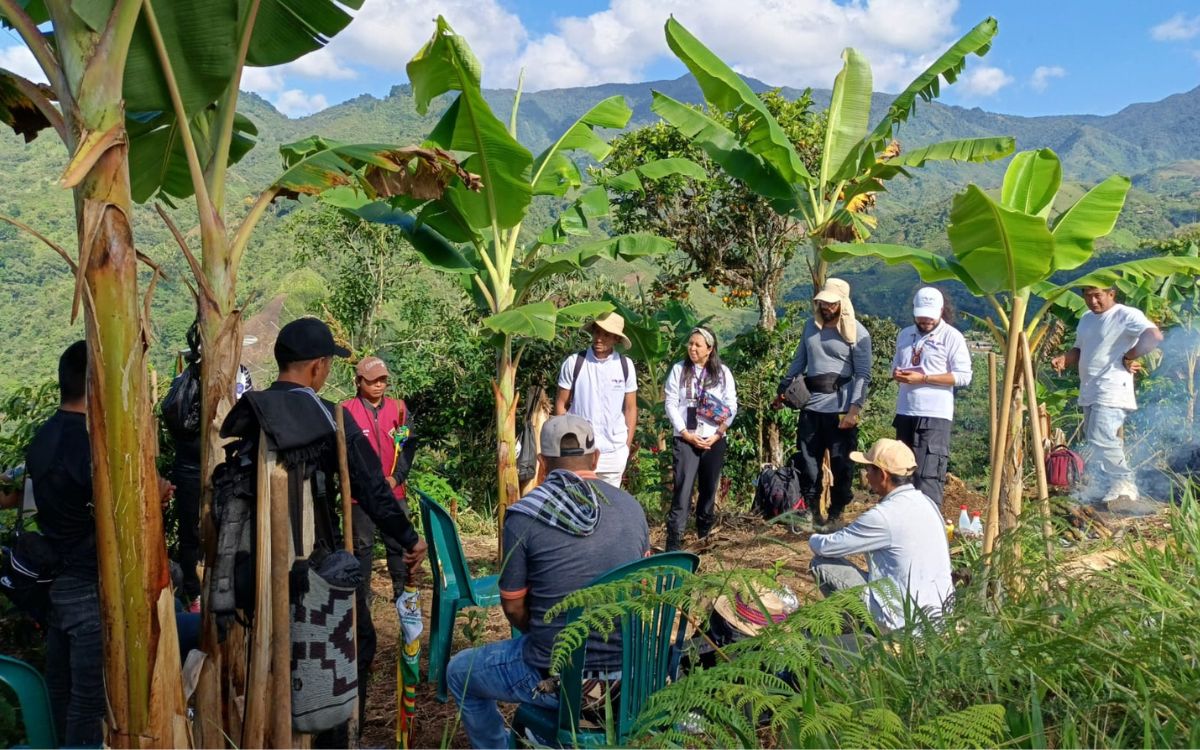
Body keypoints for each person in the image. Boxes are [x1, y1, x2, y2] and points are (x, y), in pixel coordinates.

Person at [217, 317, 427, 742]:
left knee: (272, 653)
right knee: (355, 640)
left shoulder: (251, 410)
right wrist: (408, 538)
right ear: (316, 367)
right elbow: (370, 485)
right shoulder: (328, 416)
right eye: (328, 364)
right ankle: (341, 735)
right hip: (313, 571)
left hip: (251, 568)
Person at [446, 415, 650, 748]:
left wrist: (542, 631)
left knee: (459, 672)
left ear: (542, 464)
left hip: (559, 682)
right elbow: (643, 590)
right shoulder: (632, 508)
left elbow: (512, 605)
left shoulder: (525, 515)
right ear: (596, 457)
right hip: (635, 677)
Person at [25, 341, 105, 747]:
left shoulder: (44, 437)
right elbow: (114, 510)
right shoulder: (88, 445)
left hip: (54, 581)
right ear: (96, 382)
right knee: (89, 701)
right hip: (87, 584)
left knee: (62, 686)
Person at [808, 438, 953, 632]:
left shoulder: (882, 516)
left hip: (902, 621)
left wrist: (812, 537)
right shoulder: (927, 504)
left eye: (869, 469)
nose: (866, 475)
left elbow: (826, 547)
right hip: (939, 618)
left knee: (820, 563)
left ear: (883, 475)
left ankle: (865, 631)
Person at [163, 321, 254, 612]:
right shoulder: (192, 377)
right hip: (193, 468)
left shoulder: (238, 375)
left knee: (227, 527)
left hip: (227, 467)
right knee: (195, 532)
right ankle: (195, 590)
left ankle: (222, 588)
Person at [1051, 285, 1163, 505]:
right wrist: (1065, 358)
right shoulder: (1086, 318)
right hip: (1090, 388)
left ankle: (1124, 482)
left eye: (1098, 296)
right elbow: (1080, 349)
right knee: (1098, 439)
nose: (1092, 301)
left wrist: (1130, 355)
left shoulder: (1125, 315)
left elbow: (1154, 335)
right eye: (1088, 296)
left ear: (1111, 294)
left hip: (1112, 387)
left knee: (1100, 436)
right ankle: (1111, 485)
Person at [775, 278, 871, 526]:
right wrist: (783, 388)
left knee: (842, 464)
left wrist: (854, 408)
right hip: (811, 406)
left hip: (840, 408)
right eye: (822, 303)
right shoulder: (811, 327)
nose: (826, 307)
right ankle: (811, 510)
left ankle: (837, 511)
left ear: (842, 303)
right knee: (808, 463)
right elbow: (800, 361)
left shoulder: (857, 333)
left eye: (831, 303)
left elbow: (863, 374)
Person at [342, 356, 417, 602]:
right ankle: (361, 600)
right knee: (362, 547)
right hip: (359, 497)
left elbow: (407, 448)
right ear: (359, 381)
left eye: (383, 380)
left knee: (398, 543)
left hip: (393, 492)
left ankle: (402, 594)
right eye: (373, 380)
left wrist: (396, 478)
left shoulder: (399, 410)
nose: (379, 385)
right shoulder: (345, 412)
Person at [890, 287, 973, 506]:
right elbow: (895, 366)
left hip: (935, 416)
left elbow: (963, 376)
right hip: (905, 412)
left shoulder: (952, 337)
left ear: (941, 311)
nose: (925, 320)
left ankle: (929, 527)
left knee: (928, 476)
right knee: (901, 475)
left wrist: (924, 378)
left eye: (930, 316)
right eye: (921, 315)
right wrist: (898, 375)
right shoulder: (905, 334)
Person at [663, 326, 737, 550]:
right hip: (687, 439)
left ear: (710, 349)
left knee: (708, 489)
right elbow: (671, 404)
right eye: (690, 343)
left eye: (698, 345)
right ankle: (674, 543)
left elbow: (732, 405)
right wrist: (685, 433)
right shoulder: (679, 370)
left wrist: (718, 434)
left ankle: (704, 540)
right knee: (682, 490)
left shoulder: (722, 373)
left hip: (713, 439)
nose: (692, 348)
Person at [555, 312, 638, 486]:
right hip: (580, 450)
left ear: (616, 339)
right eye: (597, 332)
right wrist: (567, 443)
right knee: (578, 501)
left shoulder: (625, 366)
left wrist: (626, 446)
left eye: (606, 334)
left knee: (610, 505)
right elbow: (561, 404)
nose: (599, 338)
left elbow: (630, 408)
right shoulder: (574, 362)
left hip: (613, 450)